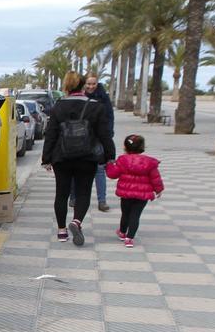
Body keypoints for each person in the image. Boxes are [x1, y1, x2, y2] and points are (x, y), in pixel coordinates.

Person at [42, 70, 116, 245]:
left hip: (62, 157)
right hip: (87, 157)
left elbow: (51, 134)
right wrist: (110, 155)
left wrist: (46, 158)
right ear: (83, 86)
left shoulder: (58, 106)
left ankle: (61, 231)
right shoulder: (96, 106)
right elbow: (104, 134)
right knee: (83, 192)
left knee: (62, 193)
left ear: (66, 86)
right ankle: (76, 222)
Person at [106, 134, 164, 248]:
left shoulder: (122, 160)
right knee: (135, 215)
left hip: (126, 194)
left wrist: (109, 165)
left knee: (125, 213)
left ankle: (122, 232)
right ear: (142, 147)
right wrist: (159, 189)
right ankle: (130, 238)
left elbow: (113, 174)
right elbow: (155, 178)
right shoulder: (149, 162)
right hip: (142, 195)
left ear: (125, 147)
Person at [70, 74, 116, 211]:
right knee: (76, 168)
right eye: (88, 84)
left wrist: (108, 136)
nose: (91, 87)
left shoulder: (103, 98)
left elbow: (109, 117)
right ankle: (73, 197)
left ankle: (102, 201)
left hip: (98, 138)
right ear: (84, 84)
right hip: (80, 138)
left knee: (100, 169)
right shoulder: (79, 96)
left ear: (97, 83)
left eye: (93, 84)